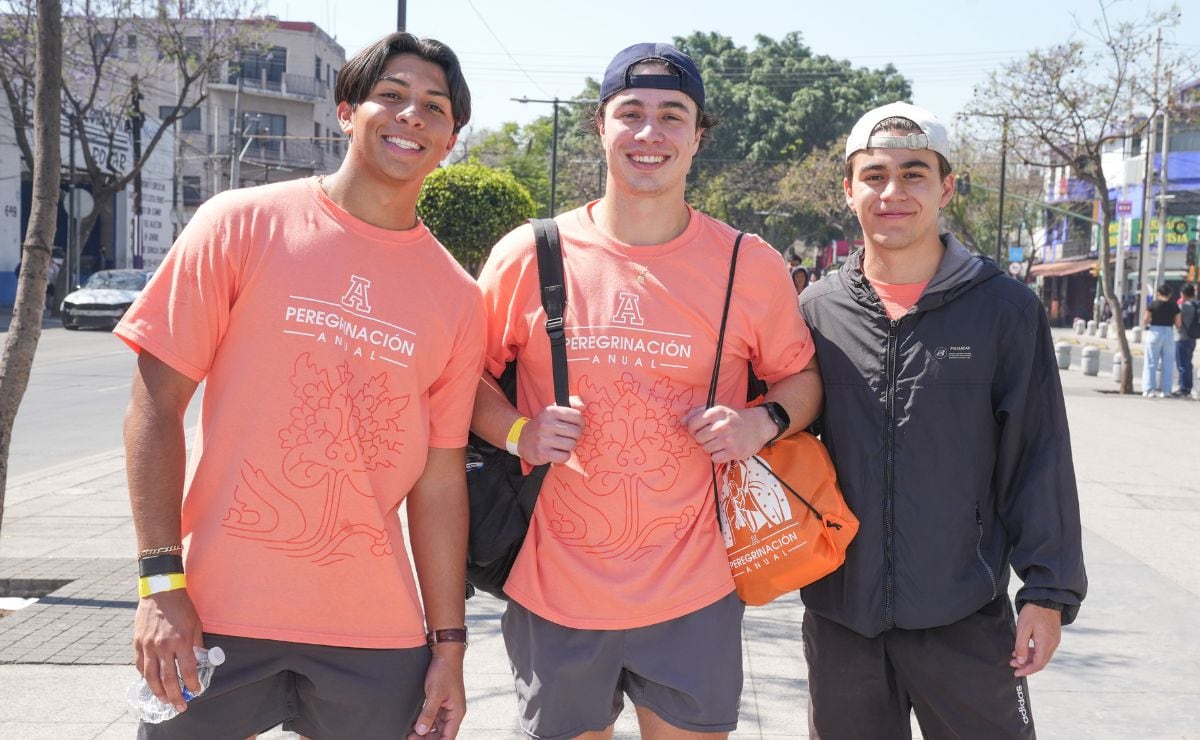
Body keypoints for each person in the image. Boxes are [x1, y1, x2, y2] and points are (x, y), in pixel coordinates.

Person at [114, 32, 483, 739]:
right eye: (392, 96)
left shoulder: (459, 298)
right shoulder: (240, 224)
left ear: (451, 140)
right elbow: (153, 405)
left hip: (374, 631)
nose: (412, 116)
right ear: (347, 110)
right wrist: (160, 584)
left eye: (434, 107)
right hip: (213, 613)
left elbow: (439, 486)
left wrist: (450, 648)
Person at [473, 42, 823, 740]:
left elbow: (802, 377)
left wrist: (764, 422)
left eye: (672, 115)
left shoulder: (745, 263)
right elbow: (465, 381)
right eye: (629, 113)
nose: (649, 133)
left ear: (699, 136)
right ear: (599, 126)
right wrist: (519, 431)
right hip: (555, 589)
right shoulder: (530, 253)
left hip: (695, 589)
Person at [798, 102, 1087, 738]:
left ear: (946, 187)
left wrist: (1047, 592)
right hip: (841, 615)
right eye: (873, 175)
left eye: (914, 173)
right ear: (849, 190)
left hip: (966, 611)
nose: (892, 192)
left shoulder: (1004, 308)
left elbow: (1039, 452)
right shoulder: (815, 310)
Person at [1143, 283, 1180, 398]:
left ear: (1158, 293)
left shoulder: (1153, 305)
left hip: (1155, 331)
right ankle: (1166, 390)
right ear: (1169, 294)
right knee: (1168, 363)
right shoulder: (1174, 306)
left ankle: (1149, 390)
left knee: (1151, 362)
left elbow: (1145, 320)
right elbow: (1178, 323)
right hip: (1169, 332)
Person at [1172, 284, 1197, 397]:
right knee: (1188, 364)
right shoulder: (1196, 306)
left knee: (1182, 364)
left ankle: (1183, 388)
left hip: (1181, 337)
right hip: (1192, 338)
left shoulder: (1183, 307)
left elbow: (1176, 321)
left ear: (1183, 294)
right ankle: (1188, 386)